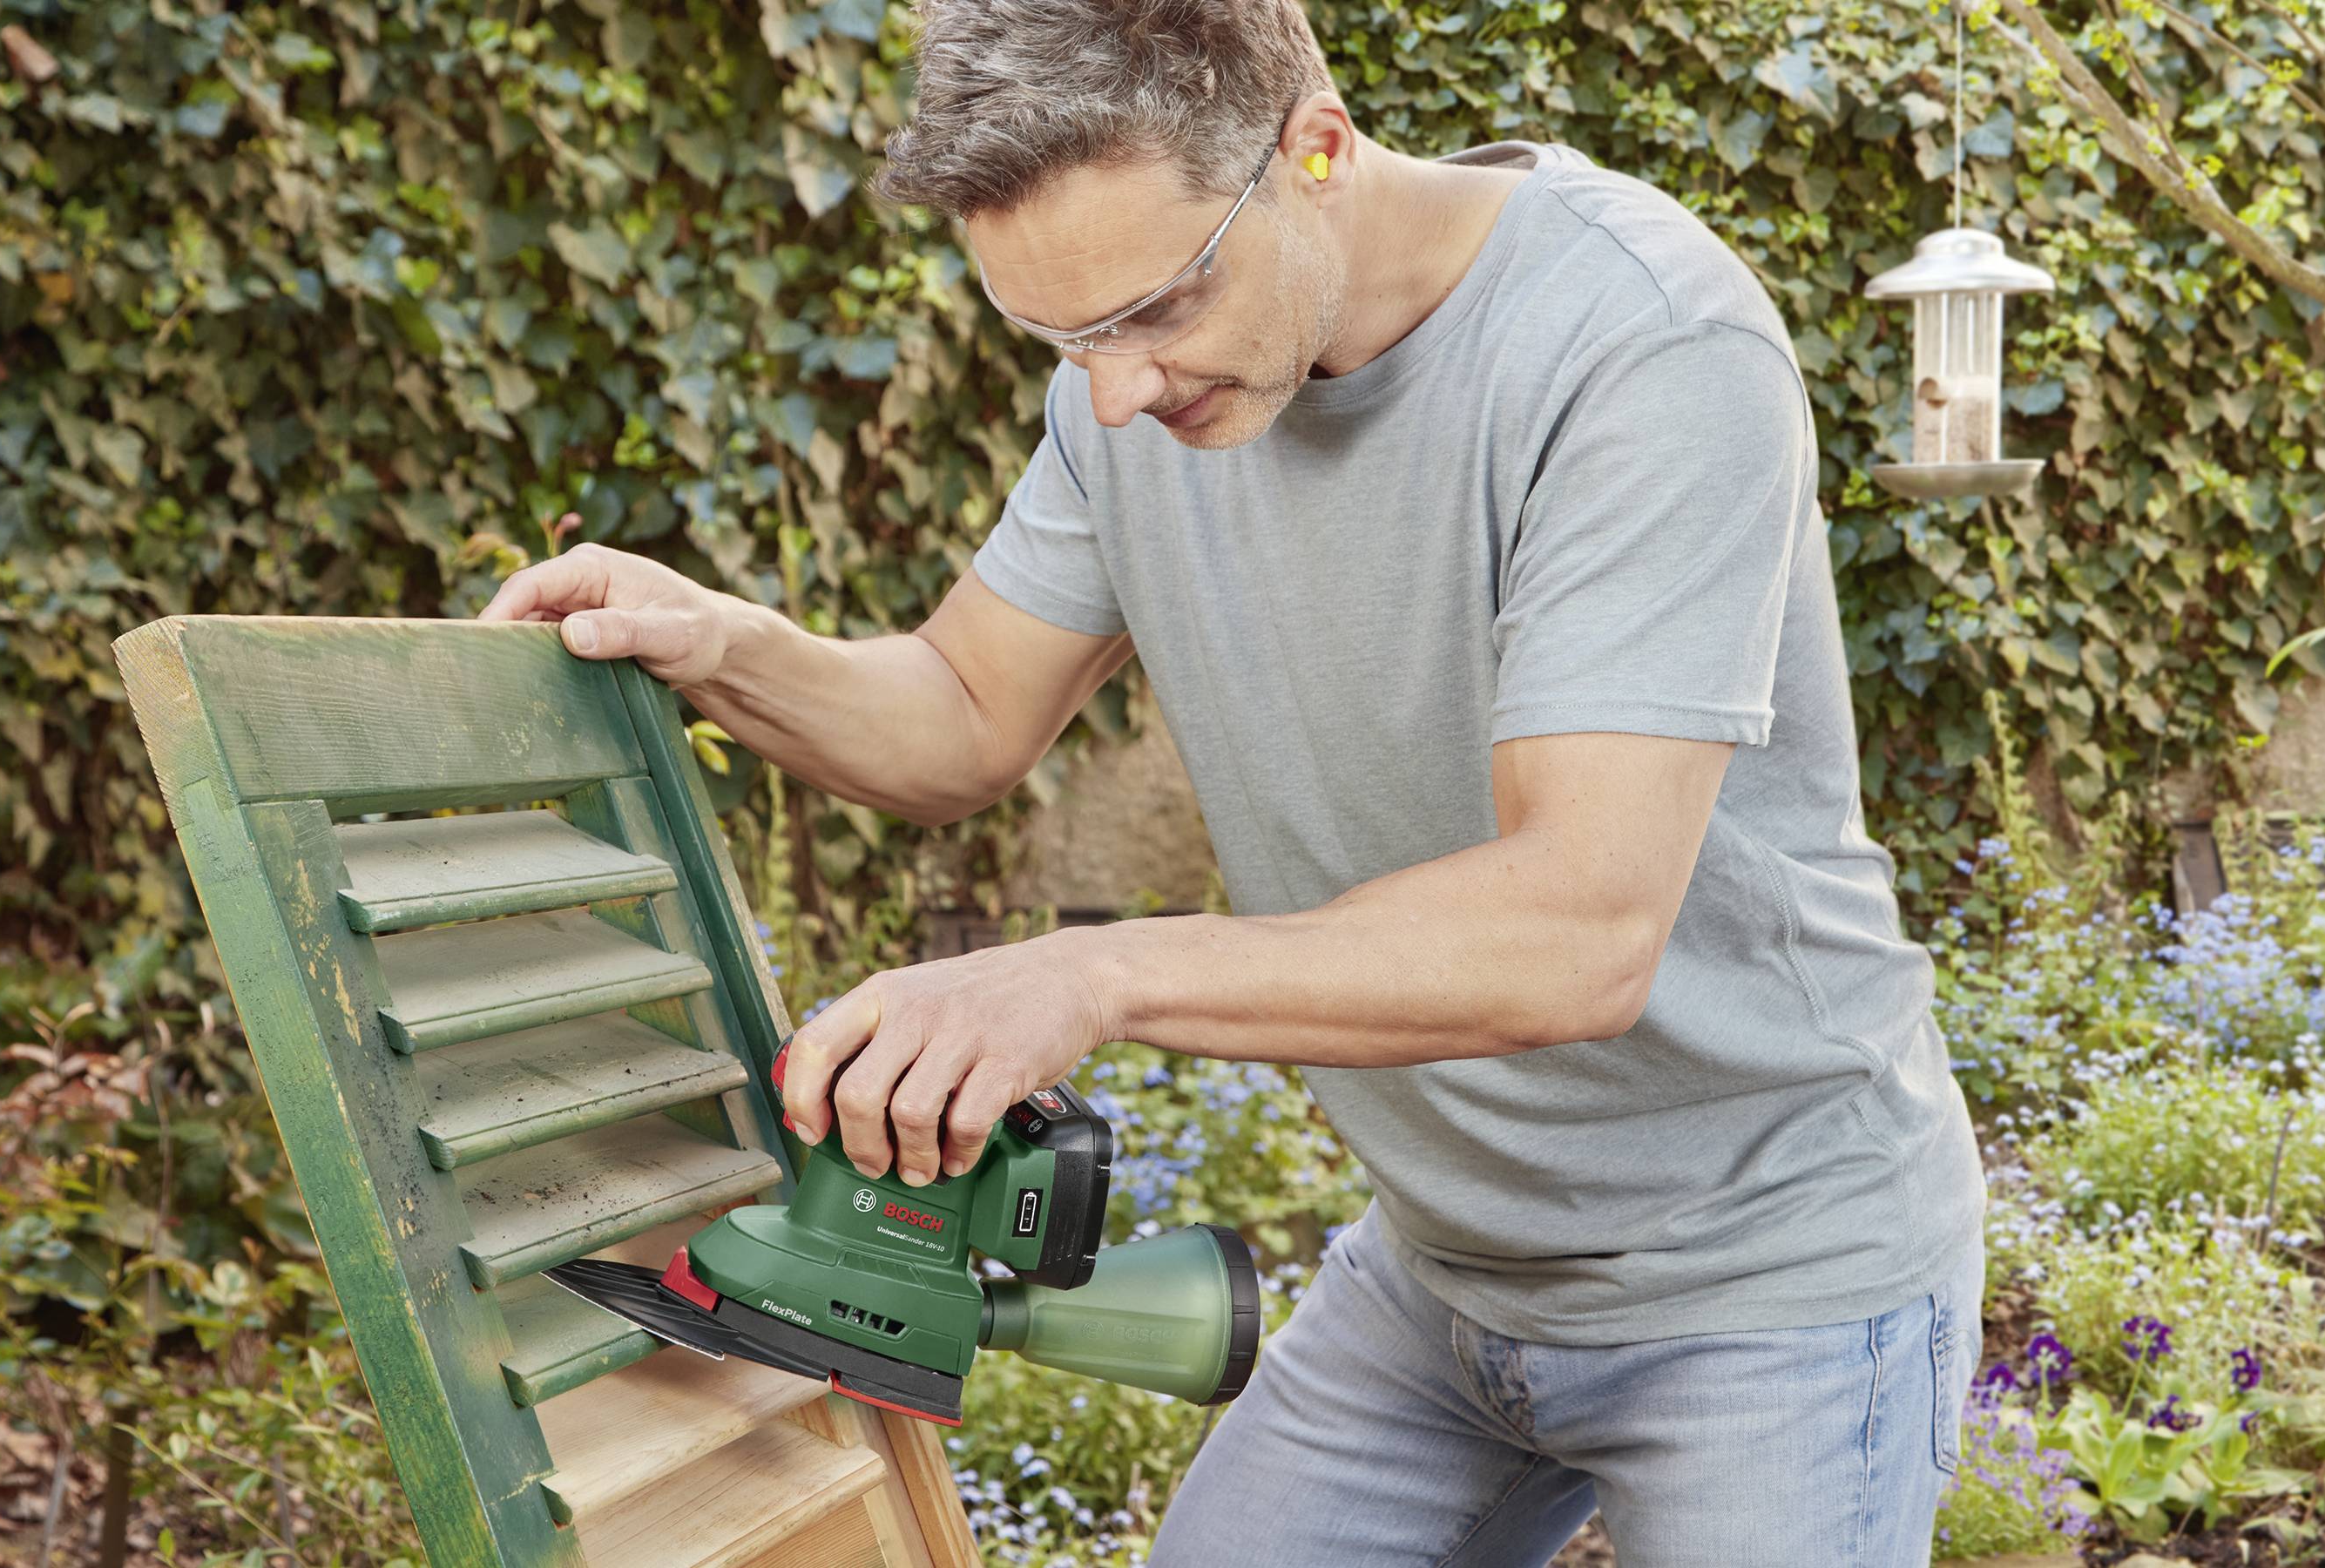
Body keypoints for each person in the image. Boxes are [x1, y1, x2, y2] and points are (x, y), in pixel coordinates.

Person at [481, 1, 1983, 1561]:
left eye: (1155, 308)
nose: (1115, 395)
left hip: (1772, 1281)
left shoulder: (1641, 343)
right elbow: (963, 713)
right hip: (1444, 1273)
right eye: (1062, 340)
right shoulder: (1135, 385)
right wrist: (726, 646)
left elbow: (1581, 927)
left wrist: (1092, 973)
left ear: (1315, 150)